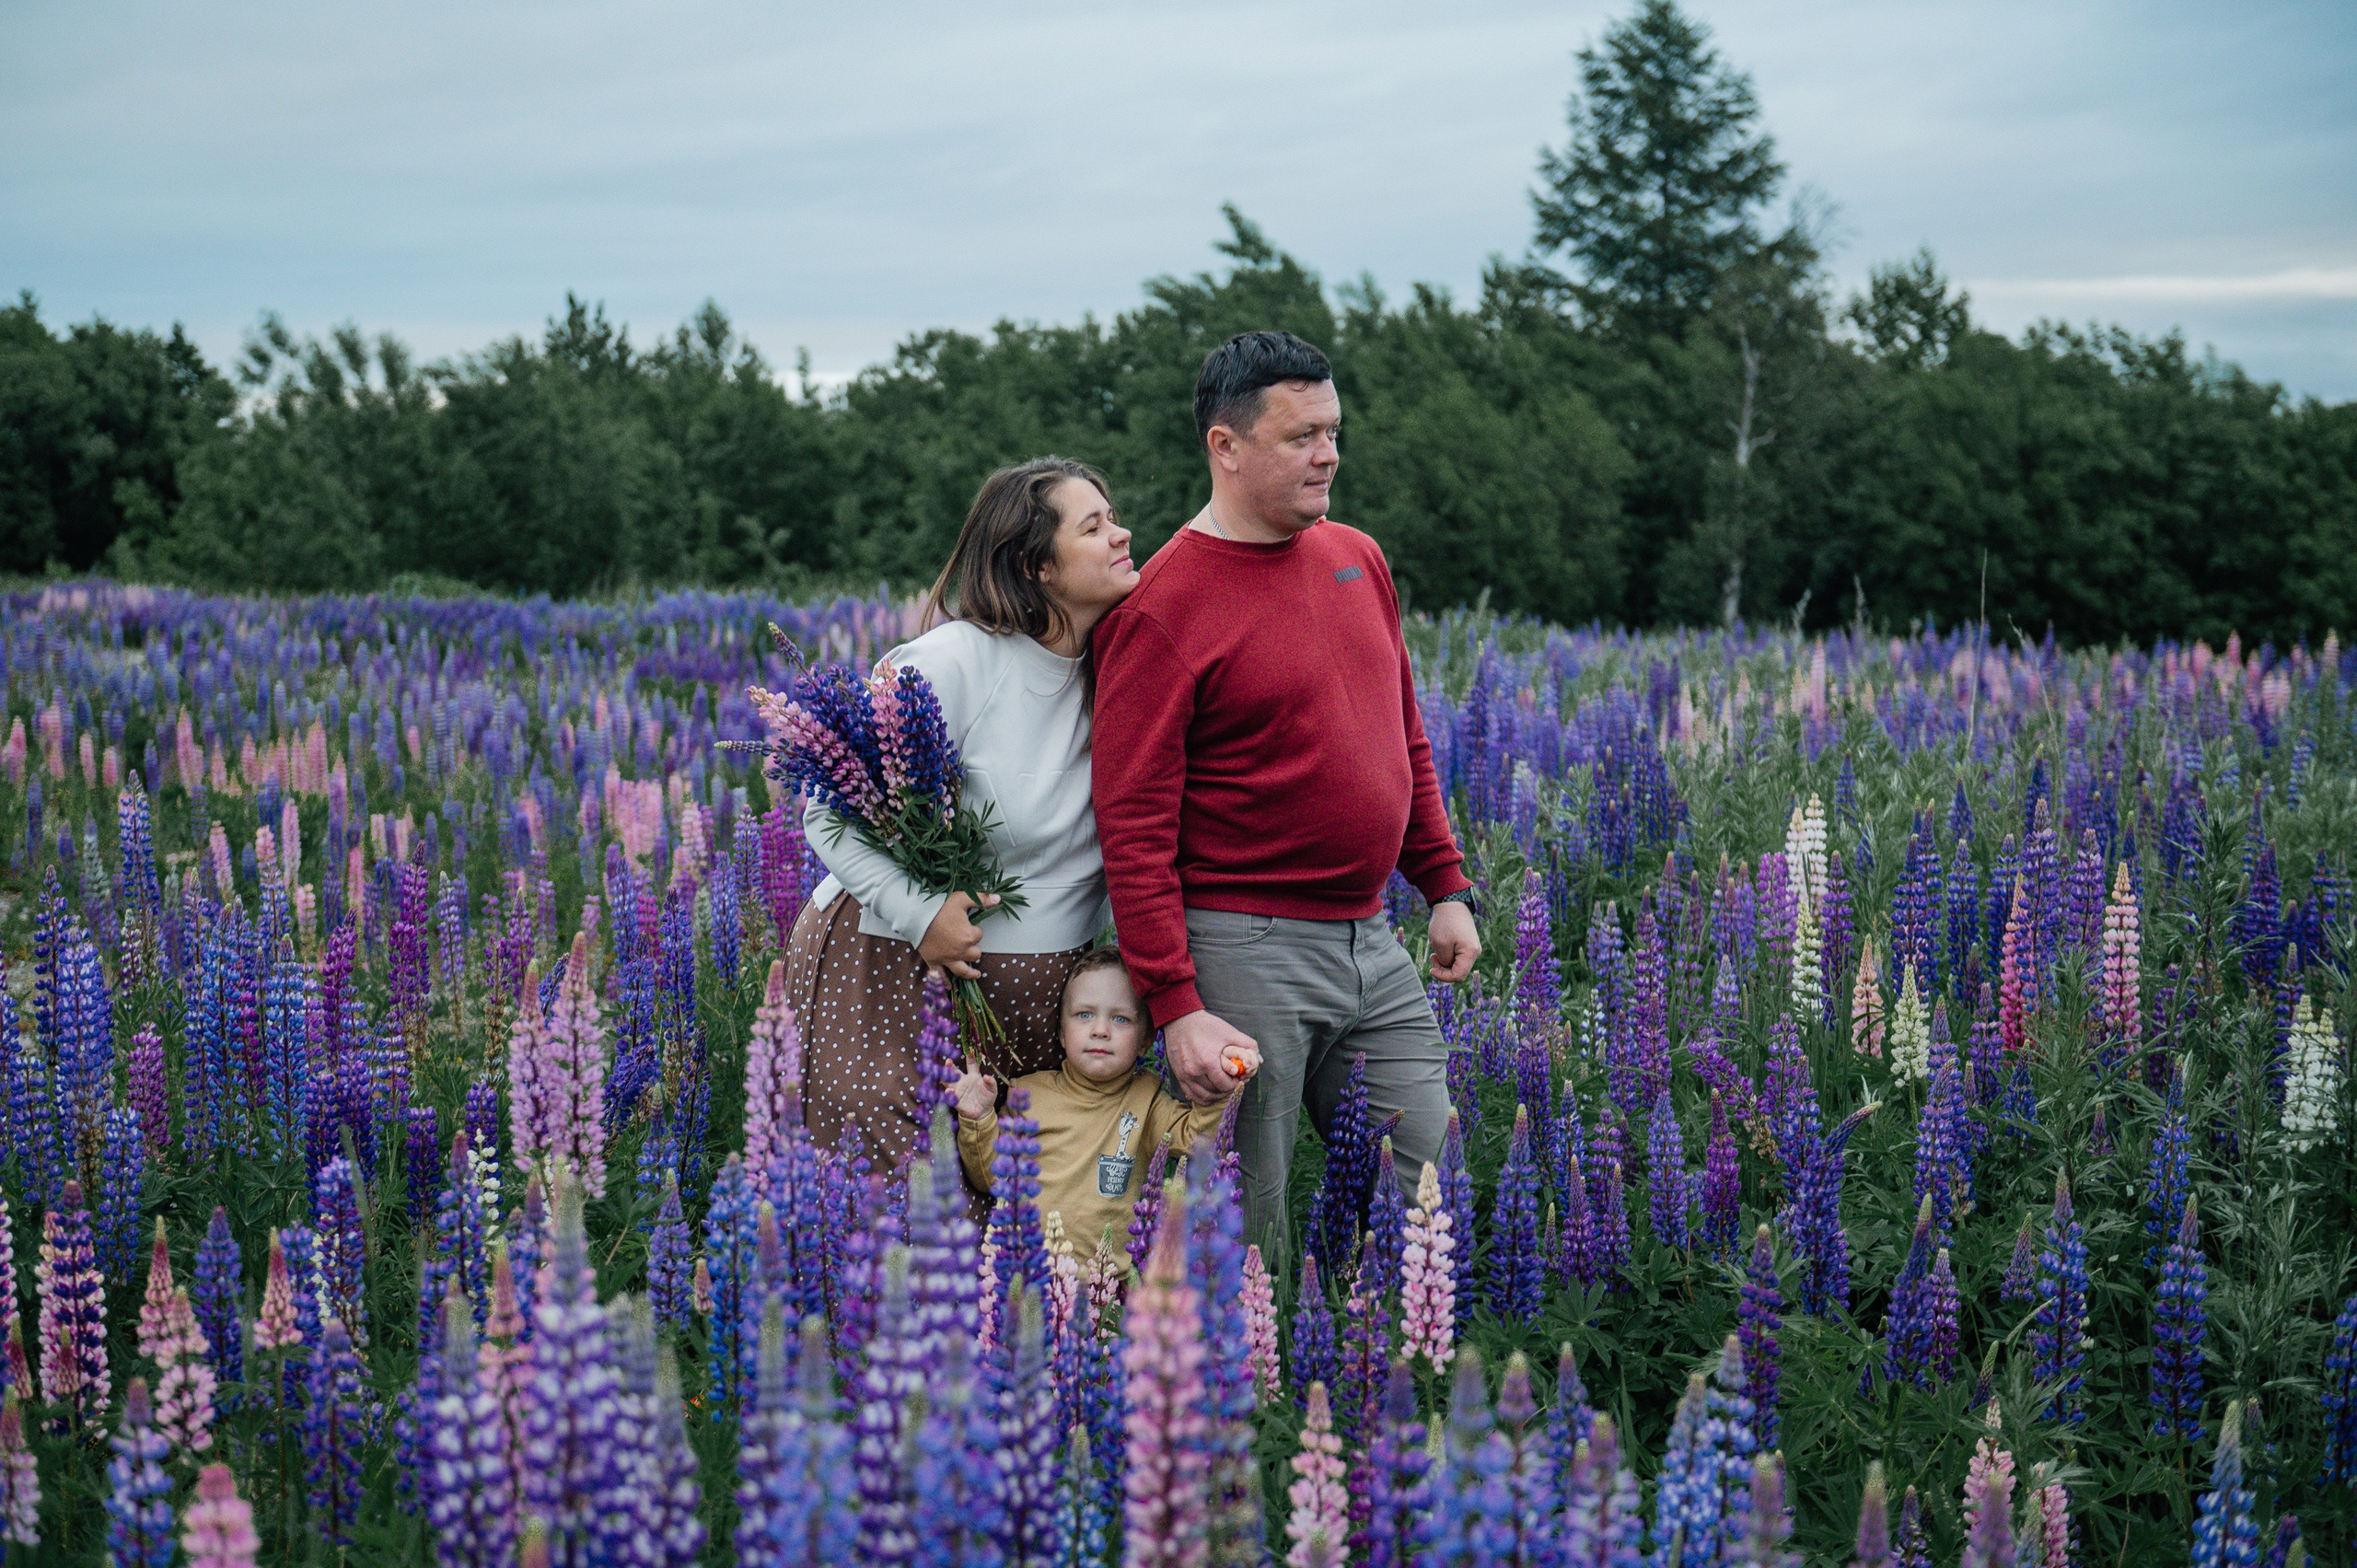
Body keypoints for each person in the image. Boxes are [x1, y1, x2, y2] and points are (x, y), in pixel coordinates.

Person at [1090, 330, 1482, 1265]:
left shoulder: (1355, 557)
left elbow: (1403, 735)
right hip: (1241, 945)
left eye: (1333, 430)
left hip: (1371, 939)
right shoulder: (1160, 605)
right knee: (1245, 1218)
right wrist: (1175, 1001)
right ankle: (1252, 1401)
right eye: (1302, 434)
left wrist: (1444, 881)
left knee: (1429, 1187)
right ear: (1226, 446)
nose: (1329, 452)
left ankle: (1388, 1381)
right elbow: (1132, 824)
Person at [788, 457, 1136, 1177]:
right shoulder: (951, 662)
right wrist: (921, 913)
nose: (1123, 535)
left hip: (1047, 1004)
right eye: (1094, 525)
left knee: (1005, 1234)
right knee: (895, 1210)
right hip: (890, 967)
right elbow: (825, 809)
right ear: (1036, 564)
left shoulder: (1123, 669)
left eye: (1115, 518)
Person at [951, 947, 1252, 1262]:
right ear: (1061, 1033)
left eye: (1120, 1019)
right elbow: (990, 1177)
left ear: (1146, 1040)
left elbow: (1198, 1138)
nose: (1100, 1030)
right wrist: (979, 1118)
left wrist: (1221, 1083)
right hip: (1029, 1274)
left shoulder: (1146, 1100)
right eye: (1084, 1015)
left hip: (1109, 1283)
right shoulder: (1027, 1094)